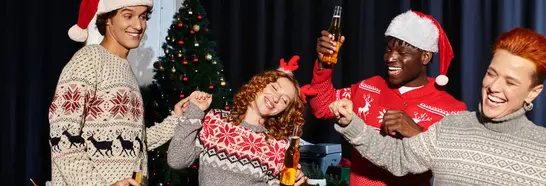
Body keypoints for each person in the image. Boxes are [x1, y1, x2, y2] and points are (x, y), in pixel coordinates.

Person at [330, 27, 546, 185]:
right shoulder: (452, 125)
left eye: (510, 82)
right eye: (492, 73)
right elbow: (398, 157)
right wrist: (352, 124)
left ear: (533, 93)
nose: (494, 87)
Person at [310, 10, 465, 185]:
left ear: (425, 57)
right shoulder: (368, 88)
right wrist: (324, 64)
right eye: (388, 50)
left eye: (402, 52)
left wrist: (417, 133)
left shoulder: (450, 109)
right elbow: (322, 105)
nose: (390, 58)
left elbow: (453, 166)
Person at [48, 0, 190, 185]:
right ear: (108, 19)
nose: (138, 25)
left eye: (142, 16)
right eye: (127, 16)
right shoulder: (88, 60)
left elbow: (134, 143)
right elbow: (62, 136)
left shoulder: (125, 69)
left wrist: (176, 118)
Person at [167, 56, 312, 186]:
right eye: (274, 88)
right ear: (260, 83)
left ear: (284, 111)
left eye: (284, 100)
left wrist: (298, 183)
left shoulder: (279, 145)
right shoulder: (216, 120)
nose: (276, 99)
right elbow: (177, 160)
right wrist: (194, 113)